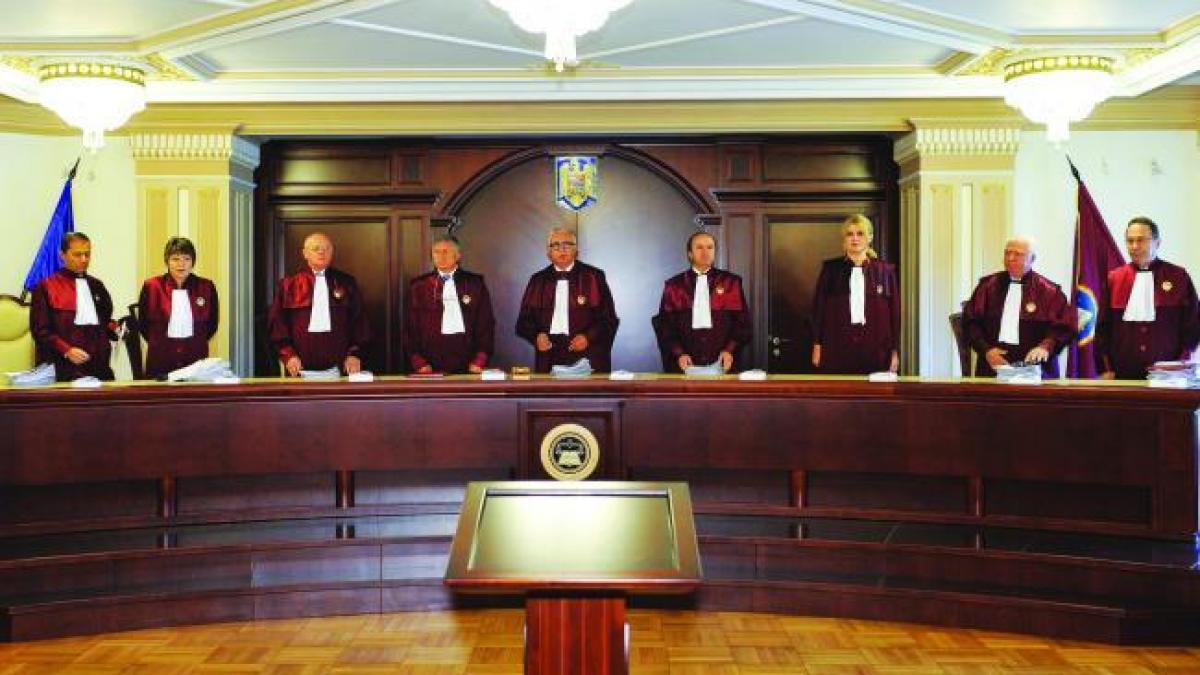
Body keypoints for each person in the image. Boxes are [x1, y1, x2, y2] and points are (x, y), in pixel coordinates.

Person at [1097, 217, 1200, 379]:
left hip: (1169, 376)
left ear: (1157, 243)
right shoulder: (1114, 279)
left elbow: (1193, 325)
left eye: (1141, 240)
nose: (1134, 246)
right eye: (1130, 241)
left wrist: (1182, 364)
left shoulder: (1179, 276)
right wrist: (1105, 368)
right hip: (1123, 374)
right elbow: (1103, 328)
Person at [961, 237, 1073, 377]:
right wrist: (986, 350)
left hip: (1036, 367)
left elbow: (1064, 327)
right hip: (992, 364)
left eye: (1018, 254)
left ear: (1032, 259)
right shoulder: (987, 286)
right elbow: (970, 322)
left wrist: (1045, 347)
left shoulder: (1050, 291)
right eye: (1007, 253)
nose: (1010, 258)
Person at [516, 227, 619, 372]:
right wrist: (536, 336)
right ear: (548, 252)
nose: (562, 250)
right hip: (548, 356)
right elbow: (523, 322)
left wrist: (588, 337)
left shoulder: (594, 277)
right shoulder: (537, 280)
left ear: (576, 250)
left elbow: (608, 319)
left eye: (567, 244)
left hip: (588, 355)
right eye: (556, 245)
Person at [268, 232, 370, 376]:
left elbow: (360, 323)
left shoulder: (347, 283)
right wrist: (289, 355)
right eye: (316, 248)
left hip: (341, 365)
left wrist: (355, 354)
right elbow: (277, 325)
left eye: (326, 248)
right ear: (305, 253)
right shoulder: (288, 285)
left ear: (332, 252)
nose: (321, 252)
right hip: (298, 365)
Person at [811, 214, 900, 374]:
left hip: (877, 351)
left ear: (870, 237)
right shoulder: (831, 270)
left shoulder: (885, 271)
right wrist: (817, 345)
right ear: (844, 239)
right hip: (837, 348)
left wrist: (895, 351)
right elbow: (819, 311)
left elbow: (894, 314)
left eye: (860, 233)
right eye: (849, 234)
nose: (855, 238)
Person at [653, 231, 751, 373]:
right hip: (684, 364)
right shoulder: (674, 286)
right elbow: (665, 327)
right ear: (690, 254)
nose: (705, 252)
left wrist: (729, 350)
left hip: (724, 362)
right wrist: (679, 353)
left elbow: (742, 324)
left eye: (710, 247)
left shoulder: (731, 282)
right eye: (699, 247)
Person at [29, 232, 118, 381]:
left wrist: (114, 328)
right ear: (62, 255)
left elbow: (104, 320)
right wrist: (66, 350)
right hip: (63, 368)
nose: (84, 259)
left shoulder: (97, 285)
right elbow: (40, 331)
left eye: (87, 254)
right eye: (77, 255)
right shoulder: (46, 287)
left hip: (99, 367)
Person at [404, 236, 496, 374]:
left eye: (446, 252)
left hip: (468, 362)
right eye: (436, 252)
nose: (441, 256)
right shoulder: (418, 286)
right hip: (428, 364)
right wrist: (418, 362)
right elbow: (409, 328)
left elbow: (485, 324)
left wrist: (480, 359)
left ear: (457, 255)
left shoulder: (475, 284)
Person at [137, 237, 219, 379]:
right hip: (161, 360)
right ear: (167, 261)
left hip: (195, 360)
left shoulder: (206, 287)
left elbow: (211, 325)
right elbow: (143, 325)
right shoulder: (152, 286)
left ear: (193, 262)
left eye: (187, 259)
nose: (181, 264)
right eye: (175, 259)